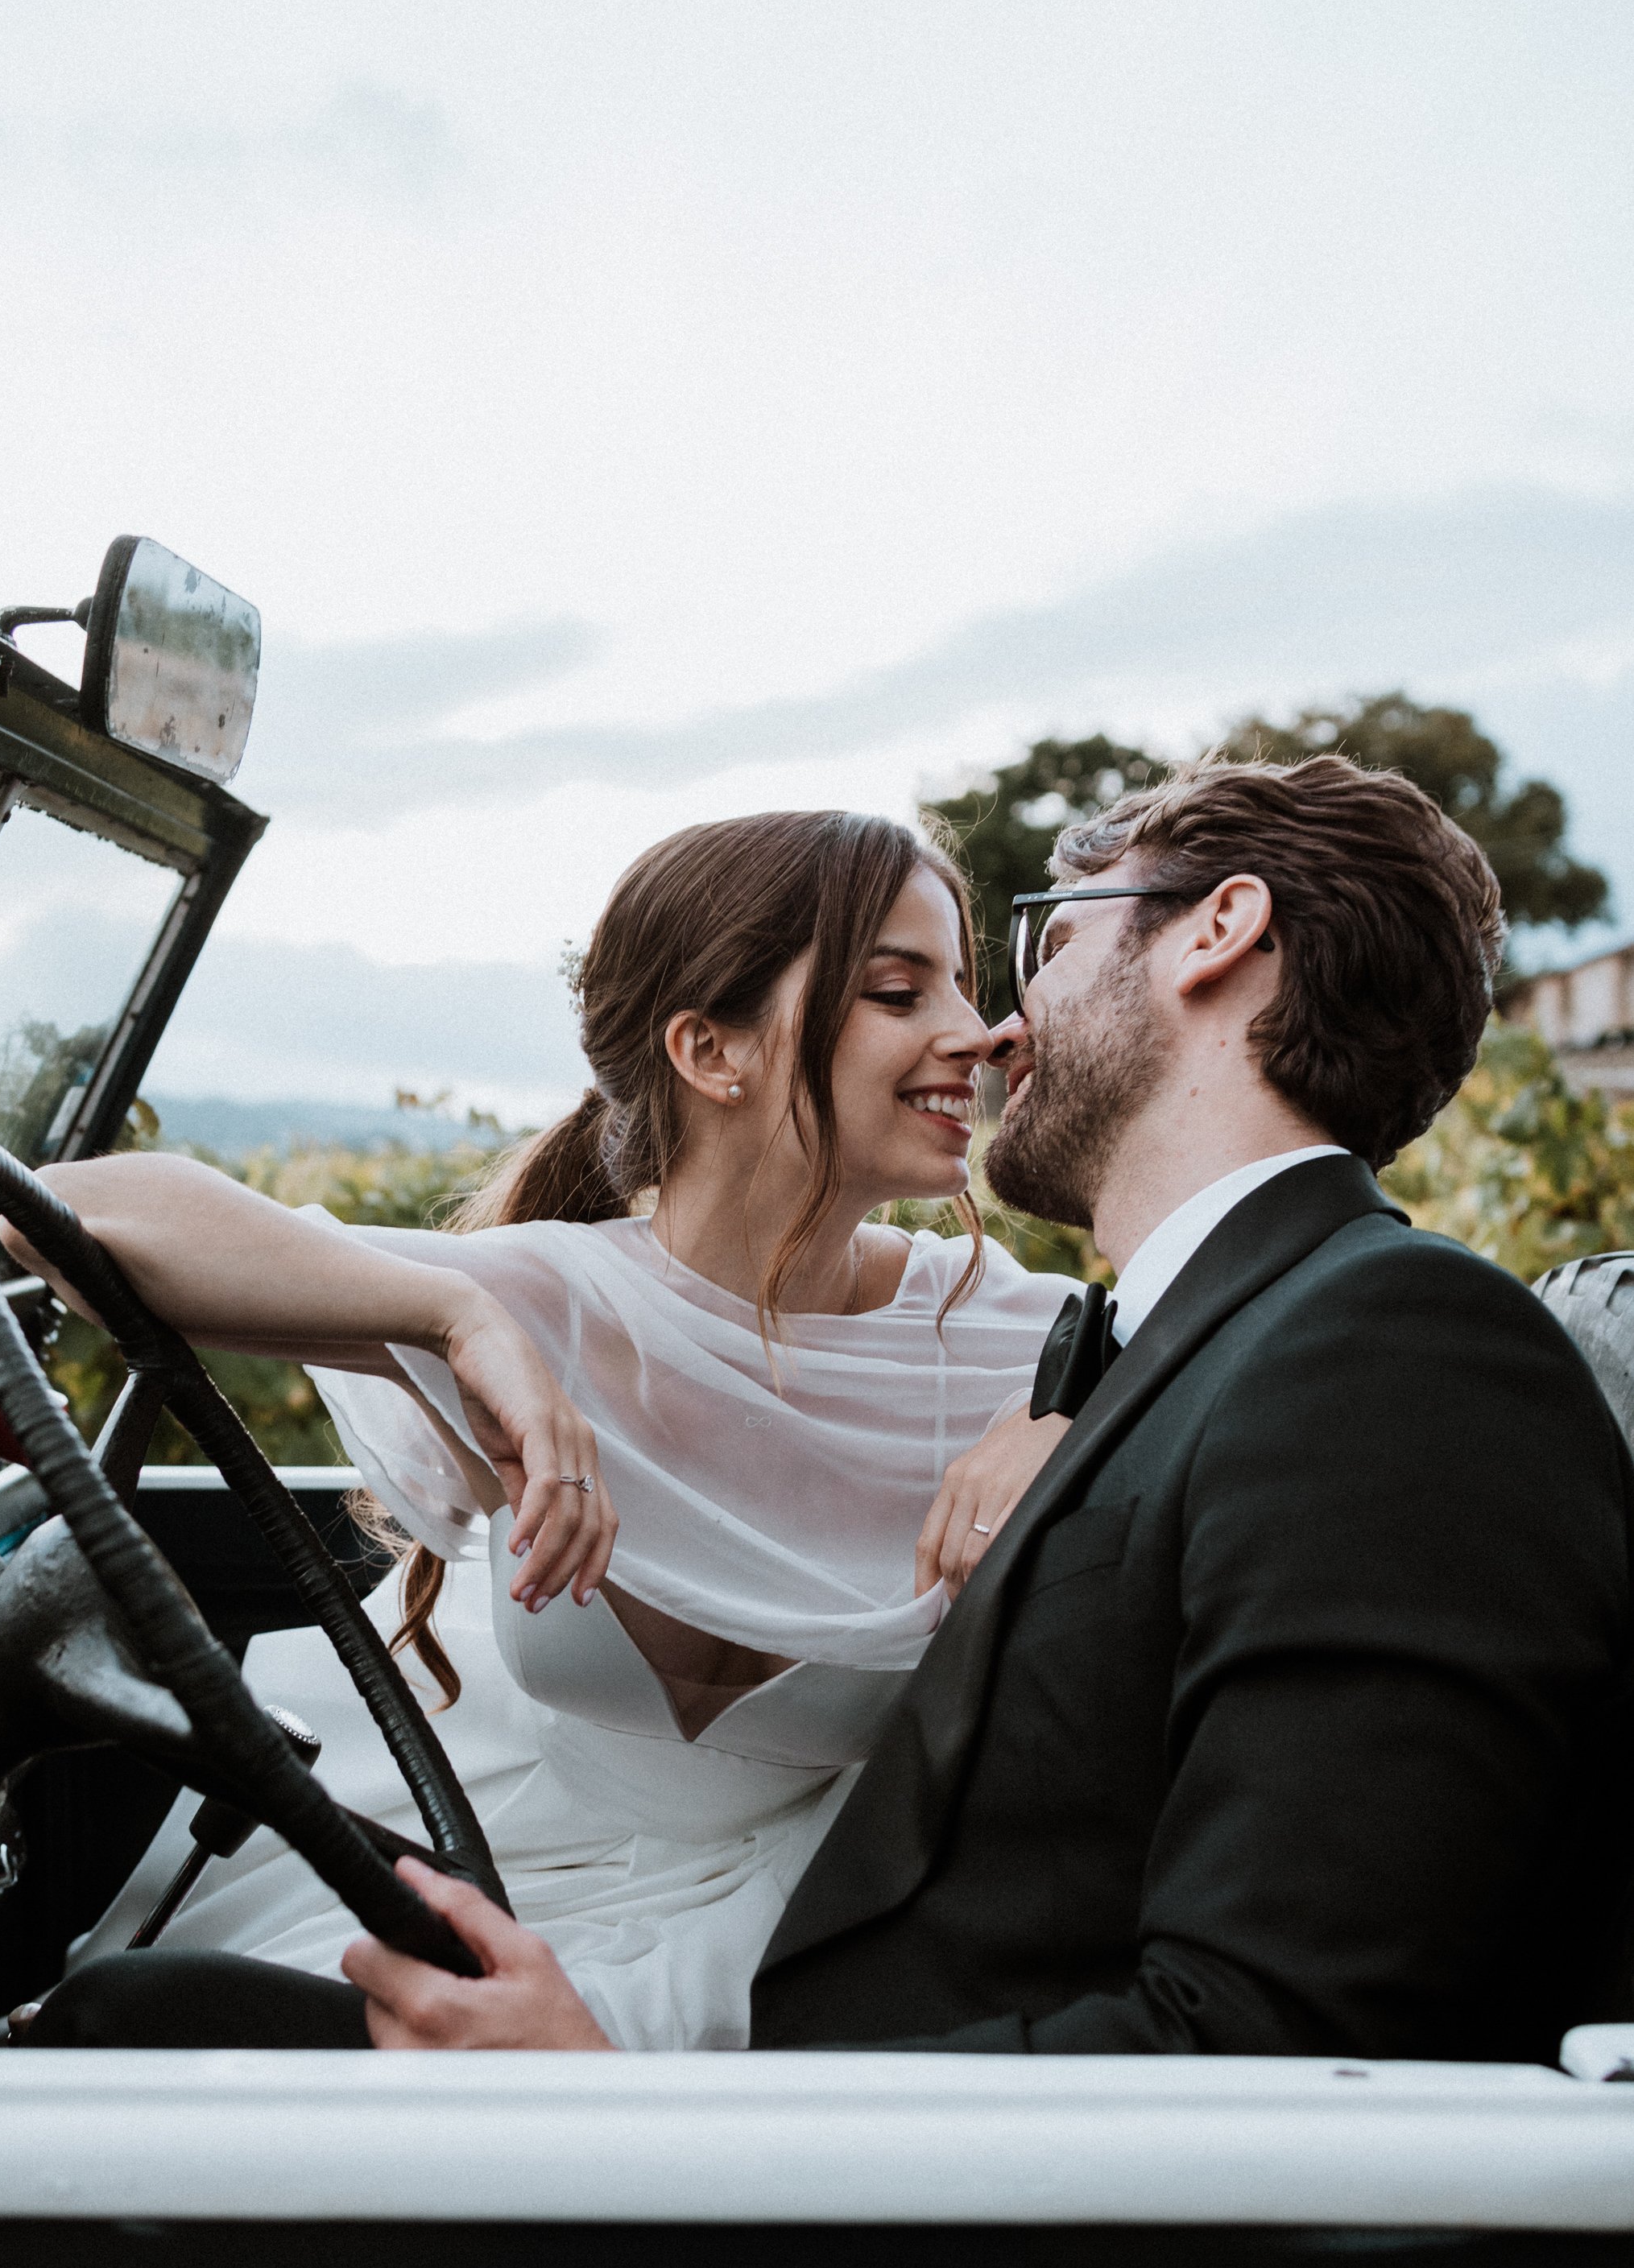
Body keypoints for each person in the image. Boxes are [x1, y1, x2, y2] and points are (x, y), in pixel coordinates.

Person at [318, 750, 1634, 2062]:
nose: (999, 1029)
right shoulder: (1185, 1354)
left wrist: (649, 2109)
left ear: (1219, 932)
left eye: (1050, 945)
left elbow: (1272, 2034)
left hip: (827, 2149)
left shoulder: (1393, 1349)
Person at [19, 809, 1082, 2050]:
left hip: (794, 1931)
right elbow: (56, 1215)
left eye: (962, 981)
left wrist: (1072, 1419)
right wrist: (456, 1313)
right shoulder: (553, 1300)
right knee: (124, 2032)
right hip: (502, 1872)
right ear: (711, 1049)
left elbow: (1260, 1342)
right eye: (900, 992)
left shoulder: (1026, 1343)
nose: (978, 1029)